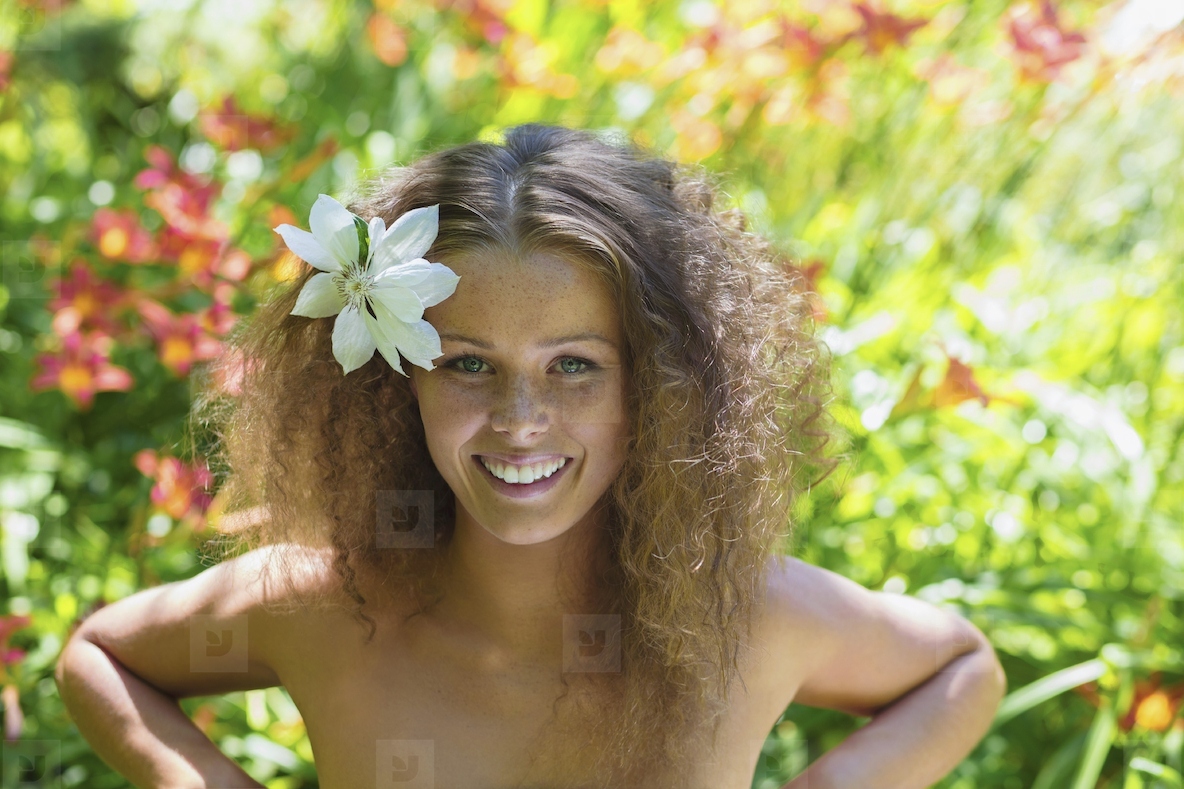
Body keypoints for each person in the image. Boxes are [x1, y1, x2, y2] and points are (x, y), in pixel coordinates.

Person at [55, 124, 1006, 789]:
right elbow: (102, 654)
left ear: (660, 387)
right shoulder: (320, 609)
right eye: (468, 362)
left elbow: (962, 667)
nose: (520, 419)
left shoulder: (748, 621)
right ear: (398, 376)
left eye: (576, 366)